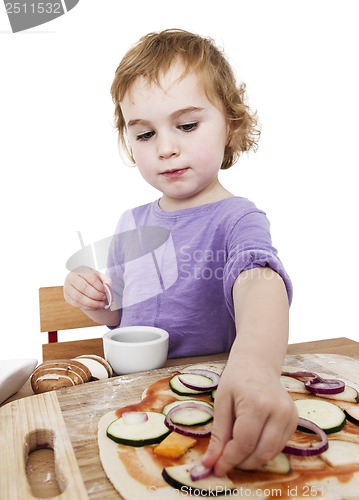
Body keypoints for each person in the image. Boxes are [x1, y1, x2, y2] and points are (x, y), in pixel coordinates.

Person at [64, 28, 298, 476]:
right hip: (130, 401)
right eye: (146, 134)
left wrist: (255, 365)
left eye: (187, 125)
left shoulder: (237, 218)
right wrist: (96, 300)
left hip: (205, 402)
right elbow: (123, 316)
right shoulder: (131, 223)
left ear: (230, 124)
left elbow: (259, 279)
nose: (166, 148)